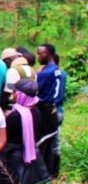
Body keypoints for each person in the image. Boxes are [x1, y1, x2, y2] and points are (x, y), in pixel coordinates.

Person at [0, 79, 51, 184]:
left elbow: (4, 138)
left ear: (21, 95)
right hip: (30, 160)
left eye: (15, 92)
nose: (13, 94)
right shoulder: (35, 112)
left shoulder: (15, 116)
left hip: (13, 160)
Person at [36, 43, 66, 176]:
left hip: (46, 110)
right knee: (54, 141)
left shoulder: (45, 73)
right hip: (56, 108)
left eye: (40, 53)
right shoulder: (59, 71)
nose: (38, 56)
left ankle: (44, 173)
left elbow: (36, 91)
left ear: (48, 54)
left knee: (44, 141)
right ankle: (54, 172)